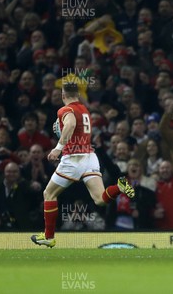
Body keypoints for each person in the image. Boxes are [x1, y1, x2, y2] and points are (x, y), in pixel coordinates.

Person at [31, 82, 135, 247]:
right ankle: (119, 188)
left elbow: (71, 125)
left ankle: (49, 237)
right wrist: (61, 130)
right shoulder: (84, 110)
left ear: (63, 96)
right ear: (78, 95)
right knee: (100, 199)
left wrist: (58, 148)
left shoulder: (65, 110)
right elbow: (75, 128)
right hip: (90, 156)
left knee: (49, 194)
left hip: (73, 158)